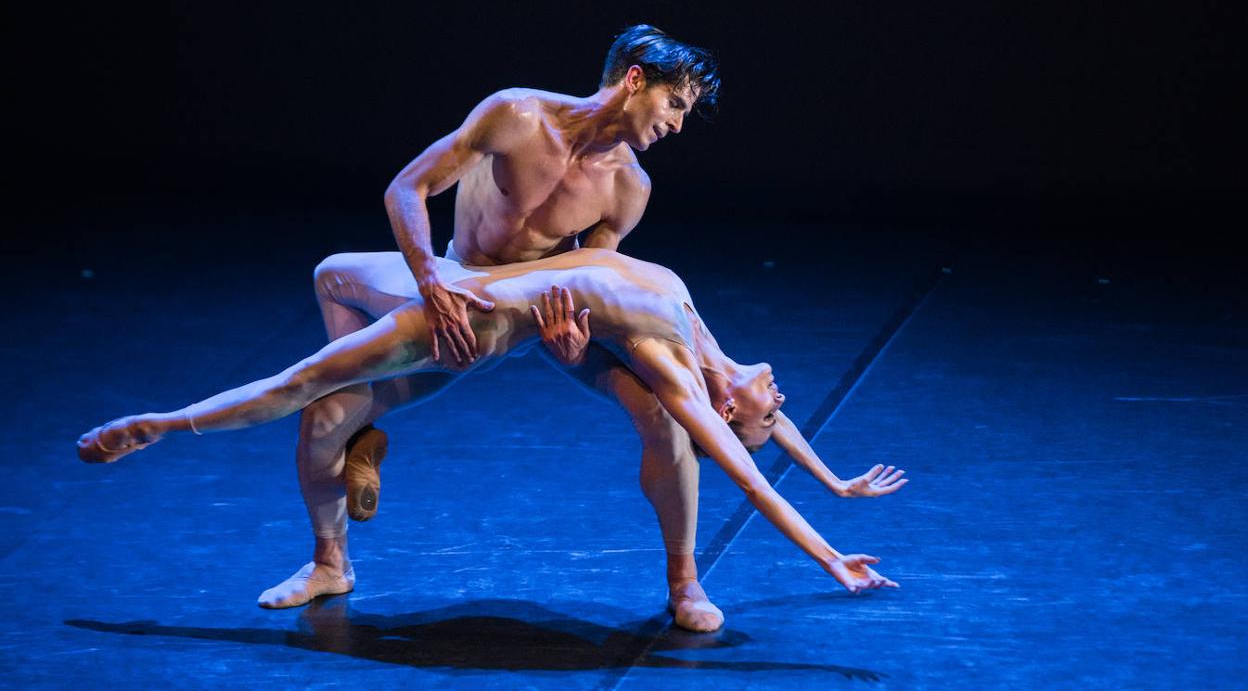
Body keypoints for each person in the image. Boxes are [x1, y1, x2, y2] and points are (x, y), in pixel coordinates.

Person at [78, 249, 909, 616]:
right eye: (780, 404)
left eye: (771, 407)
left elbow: (751, 476)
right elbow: (775, 437)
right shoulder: (697, 327)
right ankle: (363, 432)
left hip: (478, 322)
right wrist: (834, 480)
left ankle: (163, 423)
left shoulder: (677, 372)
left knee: (303, 382)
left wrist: (830, 554)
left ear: (731, 413)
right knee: (332, 277)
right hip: (468, 280)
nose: (783, 395)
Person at [304, 24, 733, 629]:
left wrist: (579, 335)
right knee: (325, 383)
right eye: (675, 104)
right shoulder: (517, 115)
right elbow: (409, 187)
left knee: (663, 415)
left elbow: (596, 271)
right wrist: (431, 279)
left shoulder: (629, 186)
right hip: (458, 291)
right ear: (635, 80)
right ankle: (331, 560)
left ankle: (685, 582)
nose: (678, 125)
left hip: (540, 313)